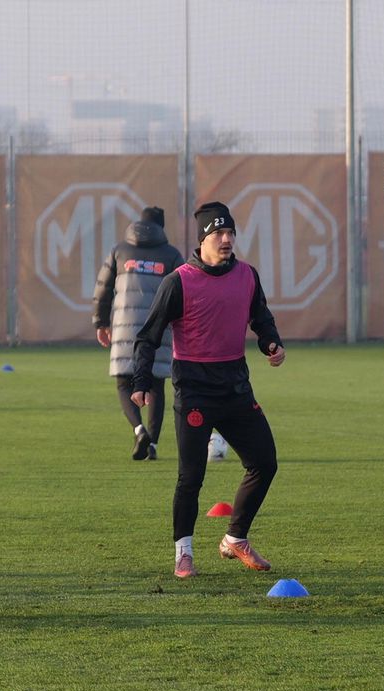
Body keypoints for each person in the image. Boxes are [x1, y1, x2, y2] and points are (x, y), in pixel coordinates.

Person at [132, 201, 285, 579]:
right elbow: (148, 336)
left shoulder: (247, 275)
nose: (228, 239)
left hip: (235, 387)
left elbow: (261, 317)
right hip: (195, 390)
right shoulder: (179, 281)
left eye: (231, 233)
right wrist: (140, 381)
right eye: (219, 233)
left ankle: (236, 538)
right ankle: (183, 553)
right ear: (203, 240)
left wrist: (271, 343)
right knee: (191, 476)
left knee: (264, 462)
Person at [93, 206, 183, 461]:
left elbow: (103, 288)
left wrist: (101, 322)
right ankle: (152, 443)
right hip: (159, 327)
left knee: (124, 381)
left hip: (124, 325)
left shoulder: (120, 251)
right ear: (161, 227)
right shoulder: (171, 255)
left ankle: (138, 428)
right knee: (155, 384)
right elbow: (185, 290)